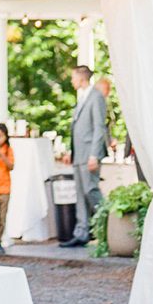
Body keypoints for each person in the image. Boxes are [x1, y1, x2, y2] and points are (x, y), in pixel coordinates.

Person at [60, 67, 109, 246]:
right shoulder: (81, 97)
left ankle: (108, 225)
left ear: (81, 79)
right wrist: (70, 151)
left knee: (91, 190)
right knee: (80, 193)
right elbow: (76, 128)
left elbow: (99, 127)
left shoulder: (96, 97)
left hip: (89, 153)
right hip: (78, 154)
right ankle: (81, 232)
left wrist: (94, 155)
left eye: (73, 77)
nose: (71, 81)